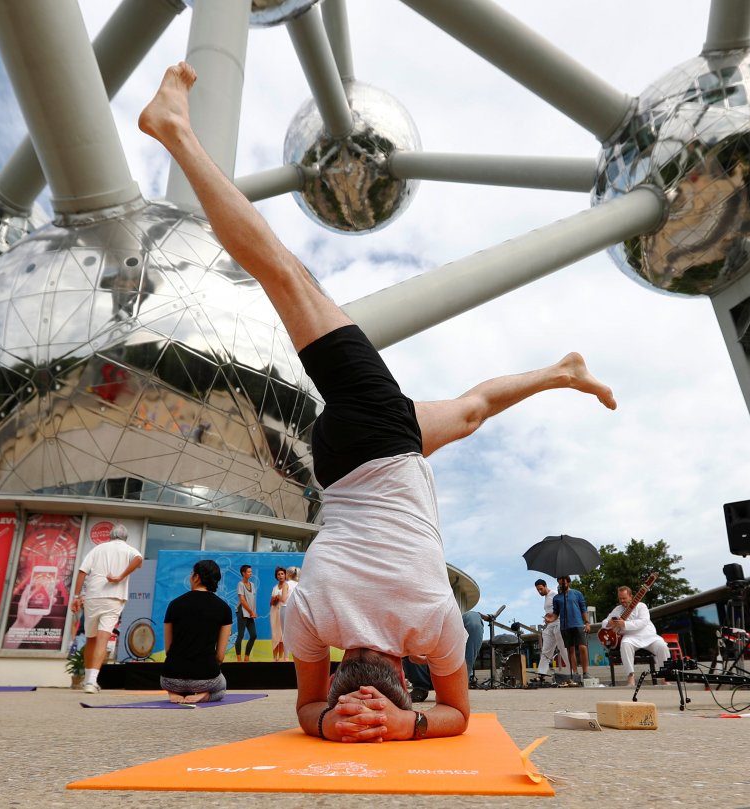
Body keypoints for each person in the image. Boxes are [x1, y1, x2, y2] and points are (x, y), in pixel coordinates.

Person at [139, 62, 616, 742]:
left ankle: (175, 132)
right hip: (345, 468)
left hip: (380, 446)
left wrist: (407, 722)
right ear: (340, 666)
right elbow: (304, 709)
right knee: (471, 411)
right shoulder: (310, 621)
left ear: (405, 663)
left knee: (285, 274)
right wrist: (328, 720)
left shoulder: (432, 623)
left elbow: (459, 714)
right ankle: (561, 370)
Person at [70, 525, 143, 693]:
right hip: (114, 598)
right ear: (126, 537)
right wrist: (120, 576)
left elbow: (82, 571)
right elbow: (139, 559)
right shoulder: (128, 549)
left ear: (110, 535)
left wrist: (75, 597)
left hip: (93, 596)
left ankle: (88, 679)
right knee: (102, 639)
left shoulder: (98, 549)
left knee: (91, 638)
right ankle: (92, 682)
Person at [162, 560, 233, 703]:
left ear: (197, 577)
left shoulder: (174, 605)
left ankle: (173, 693)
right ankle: (204, 695)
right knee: (221, 687)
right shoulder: (224, 608)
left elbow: (168, 650)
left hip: (170, 678)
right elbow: (219, 656)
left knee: (174, 680)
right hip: (205, 677)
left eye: (191, 574)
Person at [403, 609, 486, 702]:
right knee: (410, 619)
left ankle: (458, 685)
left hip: (452, 669)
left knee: (473, 618)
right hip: (422, 668)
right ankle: (420, 687)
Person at [602, 585, 668, 687]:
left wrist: (624, 624)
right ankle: (630, 678)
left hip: (648, 636)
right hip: (631, 637)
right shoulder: (618, 609)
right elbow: (604, 622)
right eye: (620, 598)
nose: (622, 601)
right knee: (625, 644)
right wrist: (609, 623)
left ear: (631, 597)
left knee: (662, 646)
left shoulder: (641, 606)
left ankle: (665, 678)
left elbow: (643, 622)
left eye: (624, 598)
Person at [553, 575, 591, 684]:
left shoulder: (577, 594)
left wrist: (587, 622)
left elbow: (583, 609)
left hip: (578, 624)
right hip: (565, 626)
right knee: (570, 650)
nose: (562, 584)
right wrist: (550, 618)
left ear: (568, 582)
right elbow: (556, 614)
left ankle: (586, 672)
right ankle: (575, 672)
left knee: (583, 647)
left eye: (563, 582)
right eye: (560, 583)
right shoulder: (557, 598)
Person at [534, 578, 573, 685]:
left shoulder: (555, 594)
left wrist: (552, 617)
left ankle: (573, 672)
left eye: (541, 589)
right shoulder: (546, 597)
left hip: (559, 623)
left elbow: (562, 609)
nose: (539, 592)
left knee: (563, 649)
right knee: (546, 650)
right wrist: (547, 618)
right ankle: (541, 674)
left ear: (546, 586)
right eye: (538, 590)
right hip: (549, 625)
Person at [234, 564, 258, 661]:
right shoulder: (240, 584)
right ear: (243, 573)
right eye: (249, 572)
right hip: (242, 611)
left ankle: (246, 658)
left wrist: (253, 612)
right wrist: (251, 611)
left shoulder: (252, 584)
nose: (250, 573)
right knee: (241, 635)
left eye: (251, 572)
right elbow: (243, 601)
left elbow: (252, 599)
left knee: (253, 635)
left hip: (250, 613)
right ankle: (239, 659)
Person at [270, 566, 290, 661]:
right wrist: (275, 598)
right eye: (278, 574)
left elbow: (284, 599)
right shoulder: (274, 587)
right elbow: (271, 603)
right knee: (275, 635)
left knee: (282, 636)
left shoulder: (287, 585)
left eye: (282, 574)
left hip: (284, 611)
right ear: (276, 576)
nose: (280, 576)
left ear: (285, 575)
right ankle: (274, 658)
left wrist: (279, 597)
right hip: (274, 612)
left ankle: (281, 658)